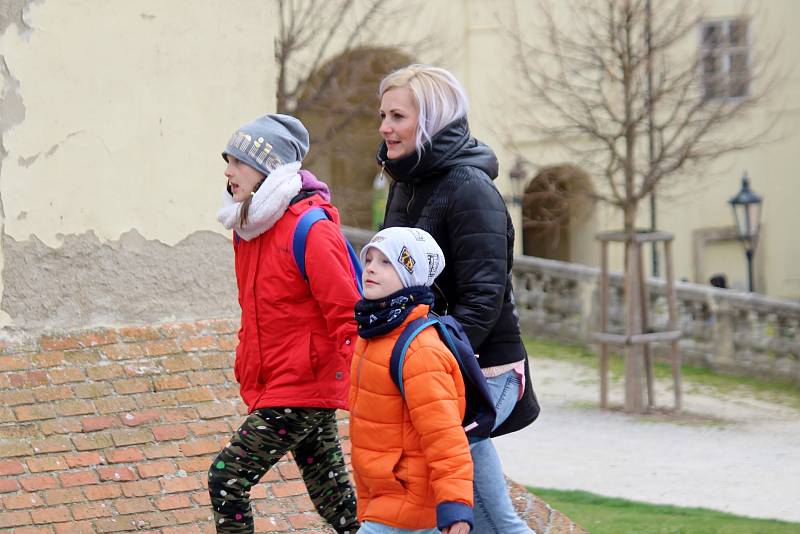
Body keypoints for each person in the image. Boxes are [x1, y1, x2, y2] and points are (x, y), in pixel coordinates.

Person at [377, 65, 539, 533]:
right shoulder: (405, 183)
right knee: (478, 515)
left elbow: (483, 299)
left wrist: (428, 360)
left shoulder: (470, 189)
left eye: (398, 116)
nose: (385, 127)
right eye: (383, 115)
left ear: (430, 119)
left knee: (487, 516)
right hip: (429, 367)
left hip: (484, 369)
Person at [208, 113, 360, 534]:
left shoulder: (312, 229)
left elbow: (348, 314)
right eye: (228, 160)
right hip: (281, 380)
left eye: (238, 162)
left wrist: (371, 385)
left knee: (227, 478)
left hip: (303, 385)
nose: (228, 171)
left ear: (267, 168)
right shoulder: (248, 227)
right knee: (336, 500)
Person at [350, 226, 473, 534]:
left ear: (410, 275)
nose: (371, 269)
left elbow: (445, 437)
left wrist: (456, 507)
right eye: (369, 260)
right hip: (382, 499)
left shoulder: (420, 351)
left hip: (406, 506)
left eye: (386, 262)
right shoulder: (373, 332)